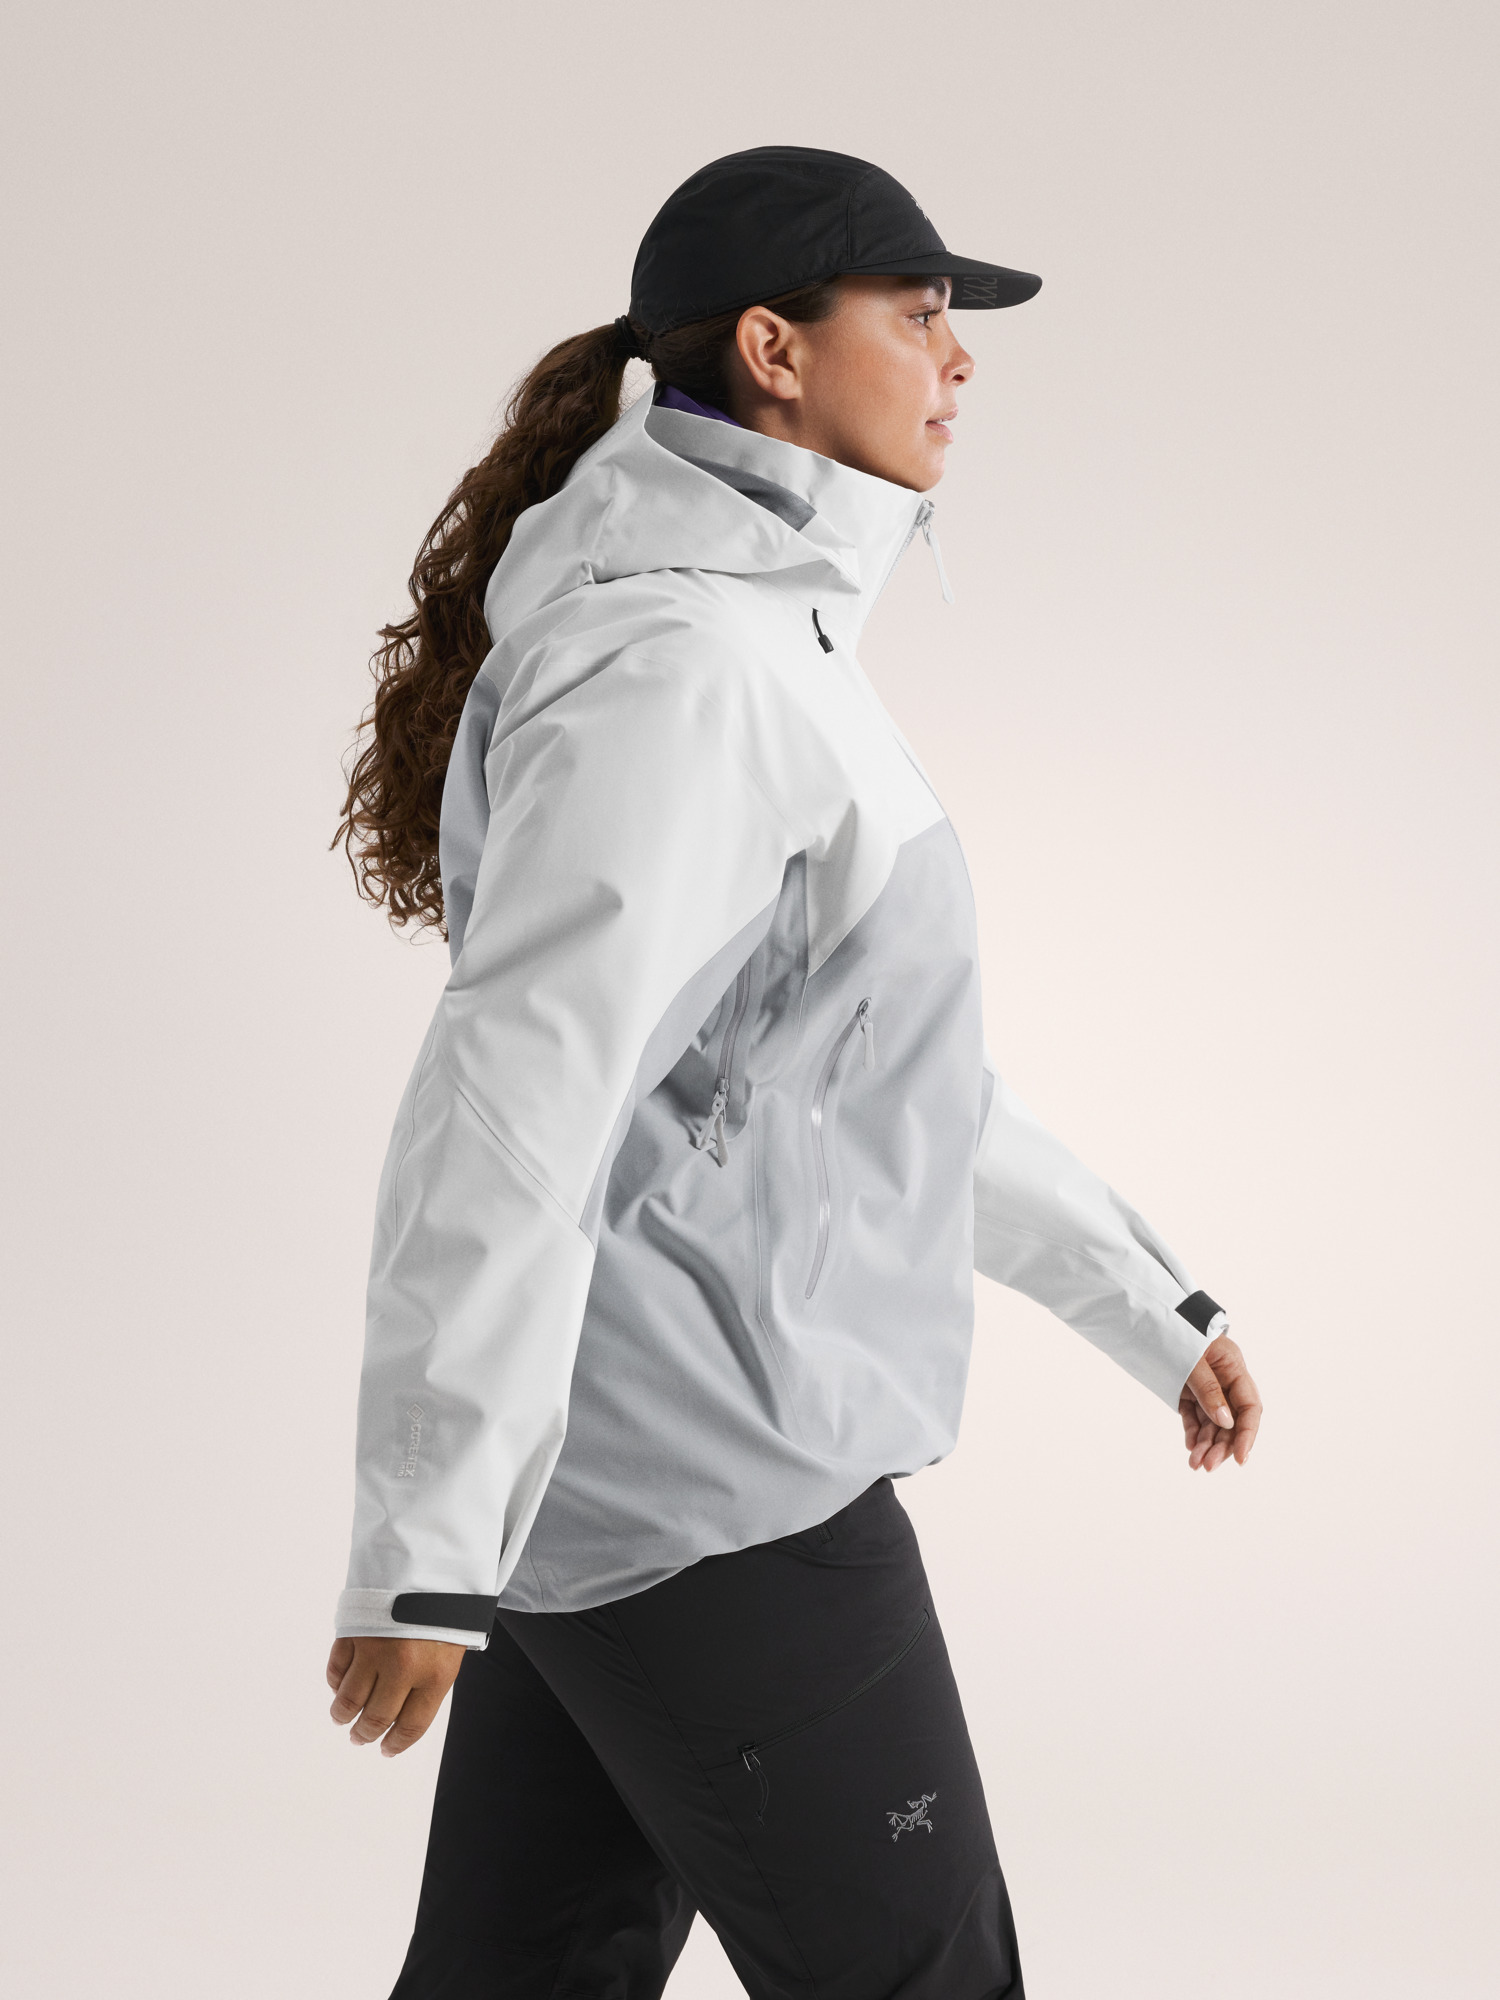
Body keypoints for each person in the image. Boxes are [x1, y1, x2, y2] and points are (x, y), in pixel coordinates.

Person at [325, 146, 1262, 2000]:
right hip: (721, 1499)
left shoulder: (756, 634)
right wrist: (420, 1542)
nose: (959, 360)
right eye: (917, 315)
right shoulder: (682, 669)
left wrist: (1141, 1297)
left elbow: (867, 1083)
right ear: (773, 349)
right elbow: (515, 1105)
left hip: (620, 1486)